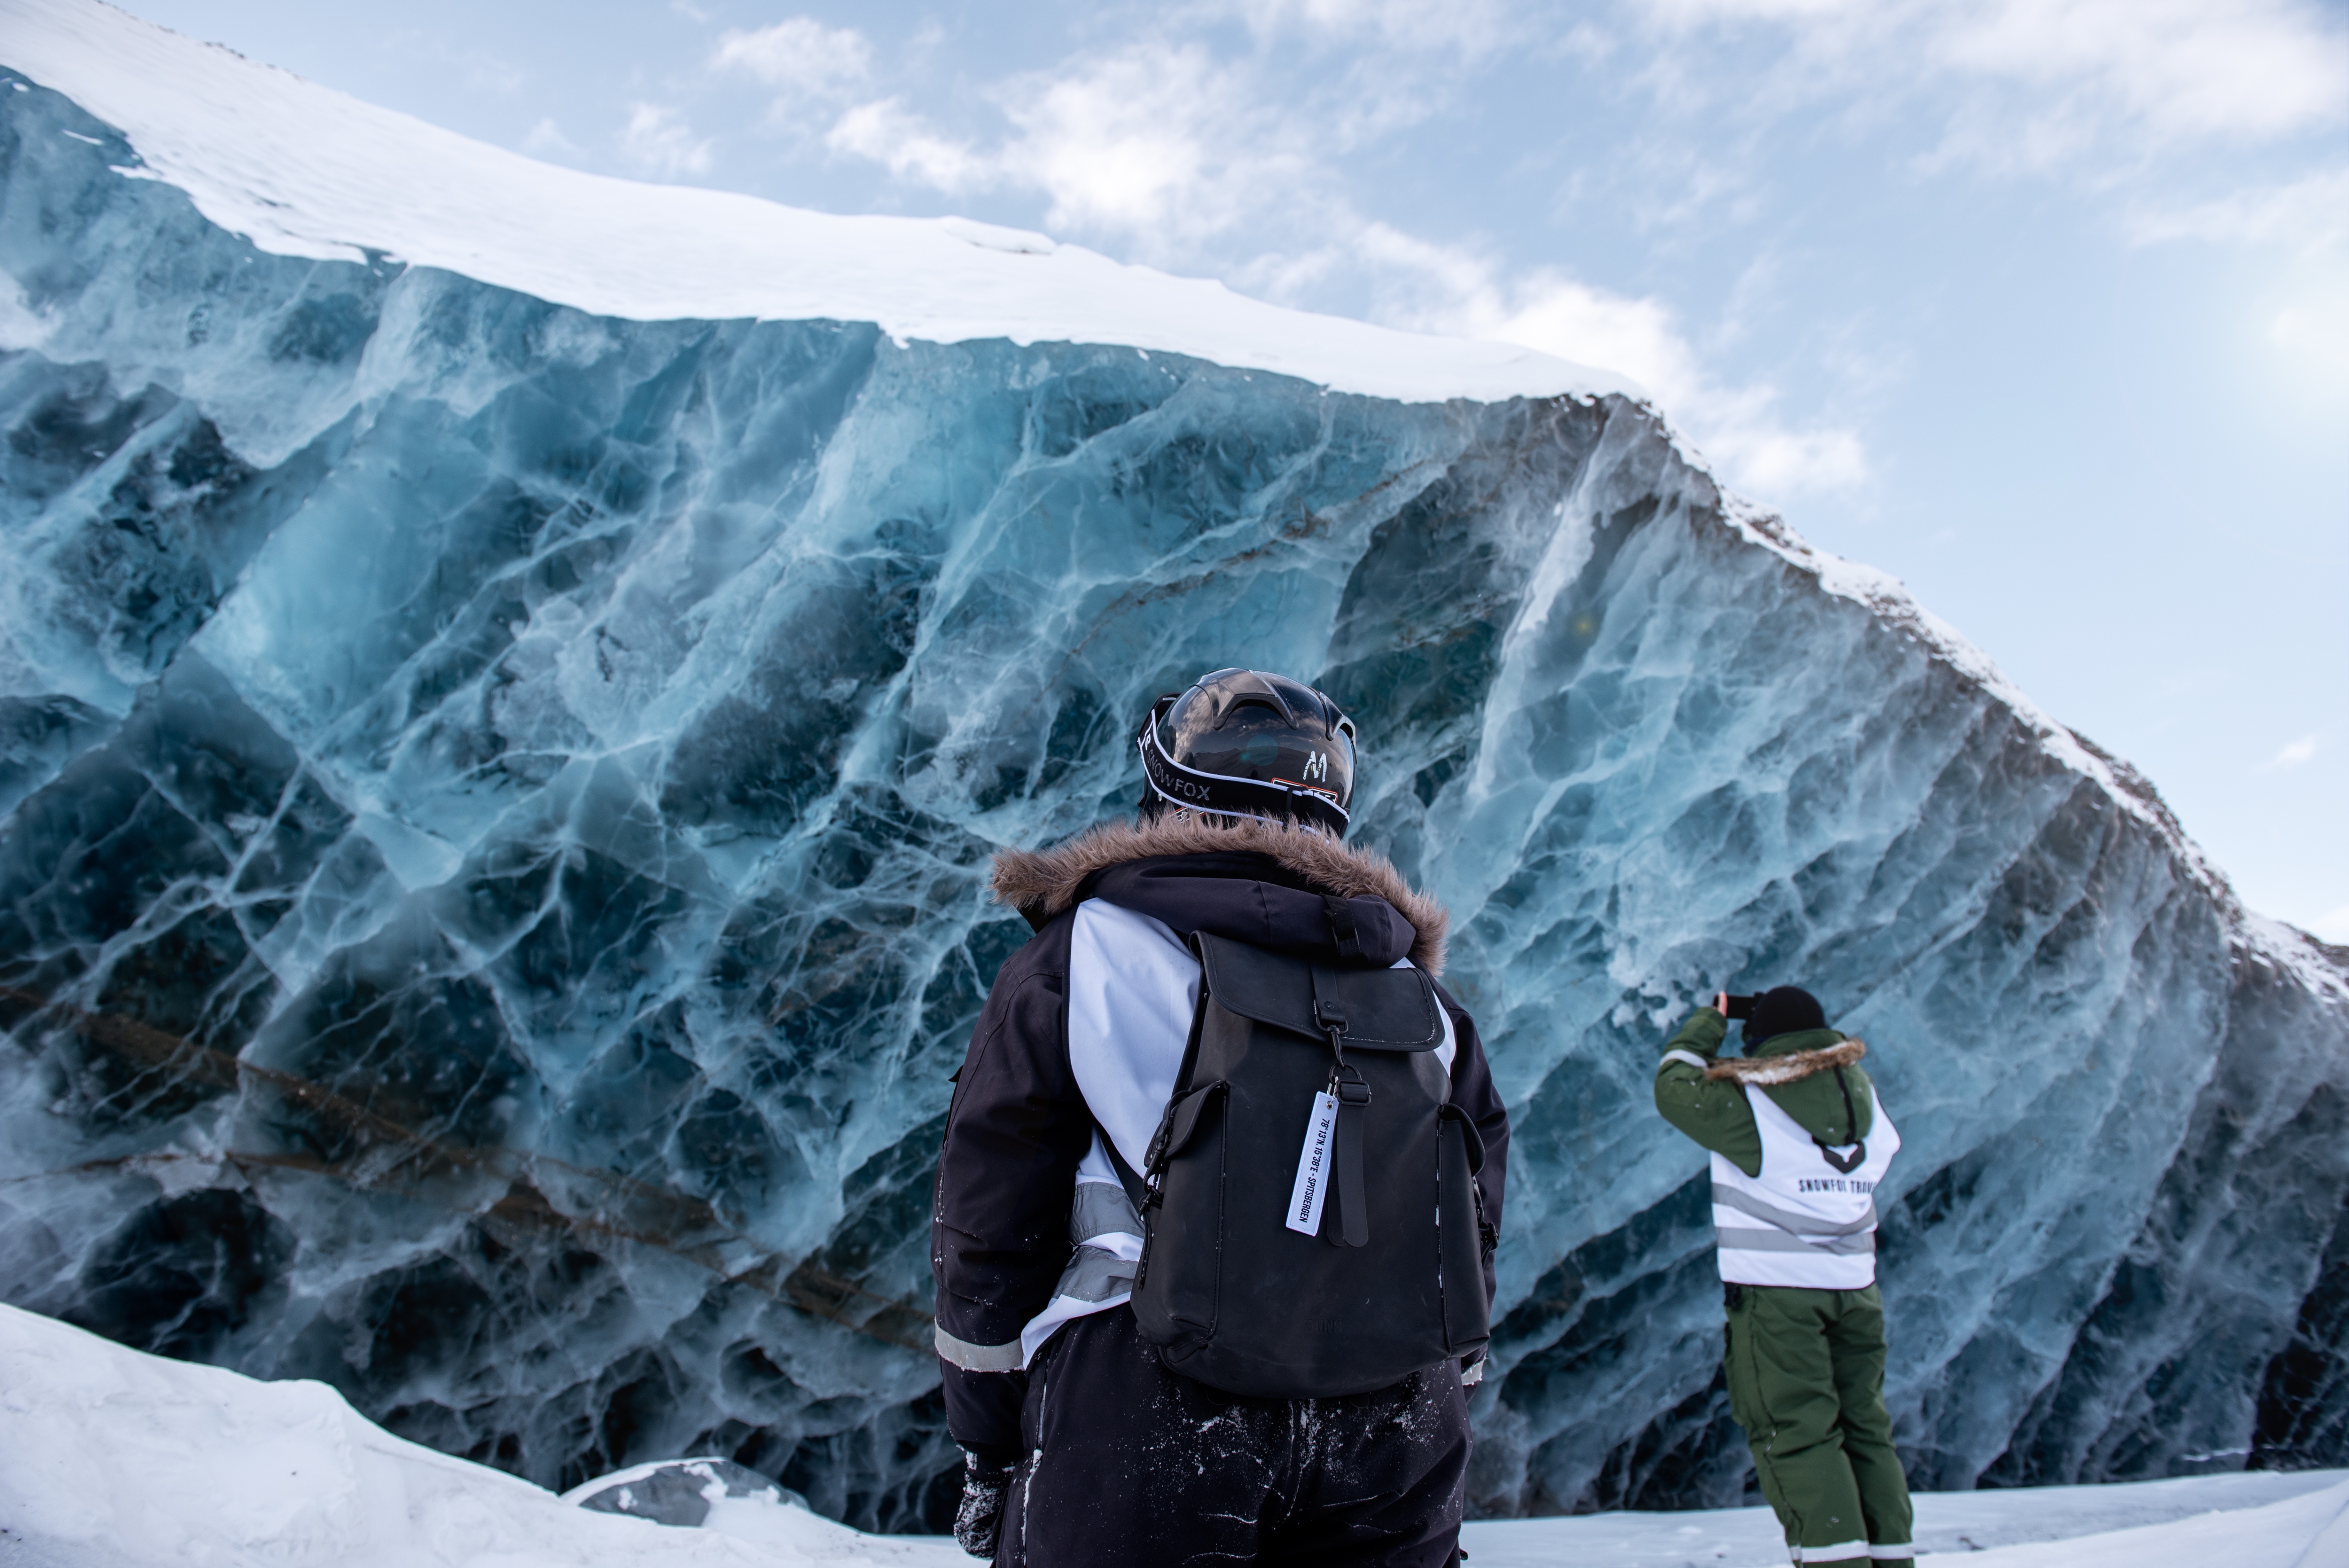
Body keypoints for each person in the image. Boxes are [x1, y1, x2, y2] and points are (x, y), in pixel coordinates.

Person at [932, 668, 1511, 1566]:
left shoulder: (1084, 958)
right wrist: (1444, 1397)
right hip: (1395, 1413)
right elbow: (1468, 1224)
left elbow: (987, 1224)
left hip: (1144, 1389)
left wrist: (990, 1443)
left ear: (1167, 789)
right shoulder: (1420, 1001)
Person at [1654, 986, 1915, 1568]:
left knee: (1798, 1432)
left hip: (1780, 1301)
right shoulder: (1863, 1099)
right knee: (1866, 1429)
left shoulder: (1752, 1106)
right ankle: (1894, 1560)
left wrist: (1711, 1021)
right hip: (1856, 1291)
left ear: (1761, 1042)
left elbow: (1673, 1087)